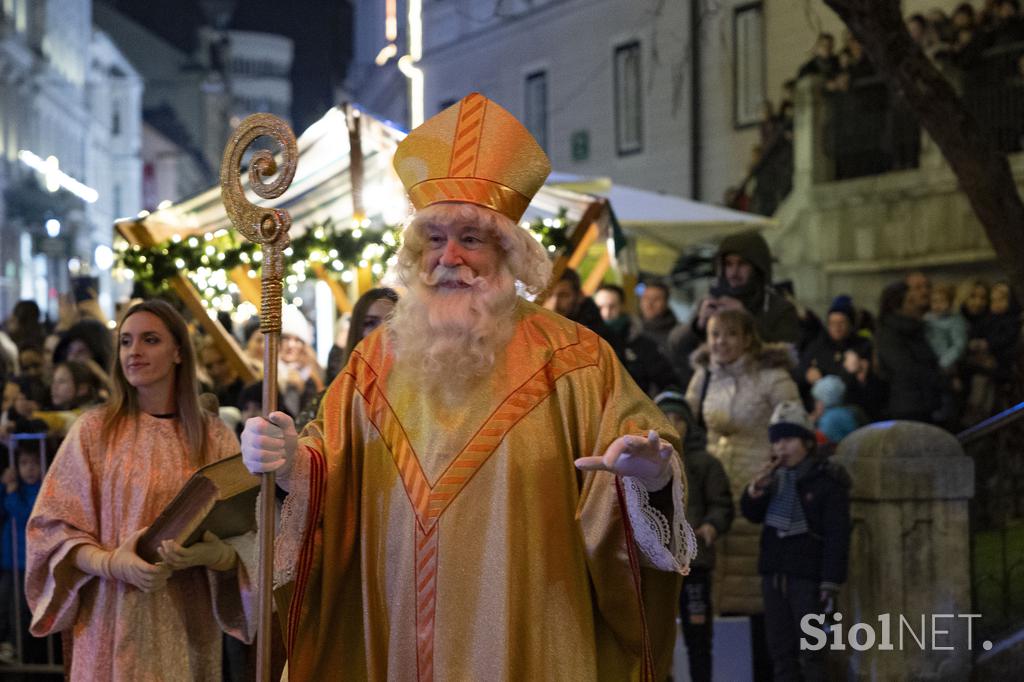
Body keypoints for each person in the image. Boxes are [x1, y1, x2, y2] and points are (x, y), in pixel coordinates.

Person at [240, 93, 695, 681]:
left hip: (532, 644)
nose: (449, 257)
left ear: (509, 252)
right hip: (394, 643)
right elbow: (328, 479)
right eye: (433, 239)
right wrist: (289, 465)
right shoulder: (372, 363)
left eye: (471, 239)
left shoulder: (579, 362)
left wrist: (650, 482)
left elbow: (643, 469)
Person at [26, 299, 255, 681]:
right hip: (108, 621)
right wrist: (111, 562)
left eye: (150, 340)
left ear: (178, 351)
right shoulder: (93, 431)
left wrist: (216, 555)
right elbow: (50, 530)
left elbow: (250, 533)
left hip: (187, 622)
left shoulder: (214, 436)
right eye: (126, 342)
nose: (134, 351)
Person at [684, 307, 799, 679]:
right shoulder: (702, 377)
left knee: (758, 584)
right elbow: (684, 425)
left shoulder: (773, 377)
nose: (721, 342)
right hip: (714, 491)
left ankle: (767, 666)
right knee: (718, 581)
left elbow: (794, 427)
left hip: (760, 488)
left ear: (748, 337)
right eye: (715, 334)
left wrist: (772, 473)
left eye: (730, 334)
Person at [741, 401, 851, 682]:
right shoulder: (774, 479)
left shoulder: (825, 479)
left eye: (788, 440)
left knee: (811, 651)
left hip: (807, 577)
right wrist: (755, 490)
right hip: (774, 574)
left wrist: (830, 580)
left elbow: (837, 534)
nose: (781, 448)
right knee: (780, 650)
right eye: (776, 441)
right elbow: (751, 514)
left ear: (806, 442)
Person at [655, 391, 733, 682]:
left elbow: (722, 503)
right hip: (658, 565)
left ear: (689, 423)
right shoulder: (648, 463)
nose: (673, 424)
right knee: (657, 638)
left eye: (678, 418)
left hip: (695, 562)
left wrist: (713, 524)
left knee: (698, 638)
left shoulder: (705, 464)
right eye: (666, 418)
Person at [875, 281, 945, 422]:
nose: (917, 305)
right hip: (908, 406)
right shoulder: (889, 333)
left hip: (926, 401)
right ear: (897, 306)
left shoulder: (916, 329)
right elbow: (904, 368)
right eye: (911, 301)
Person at [0, 445, 44, 663]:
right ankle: (7, 644)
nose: (30, 469)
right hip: (9, 559)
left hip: (27, 560)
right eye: (24, 463)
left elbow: (28, 516)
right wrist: (4, 486)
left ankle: (17, 648)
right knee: (5, 603)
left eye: (35, 463)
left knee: (20, 608)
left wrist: (10, 494)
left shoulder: (43, 489)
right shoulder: (13, 487)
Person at [595, 283, 679, 396]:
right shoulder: (583, 341)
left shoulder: (642, 343)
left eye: (612, 306)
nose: (606, 313)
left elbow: (668, 382)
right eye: (600, 307)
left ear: (622, 306)